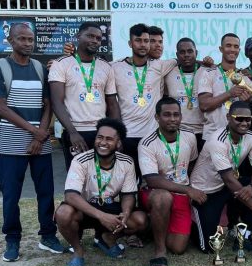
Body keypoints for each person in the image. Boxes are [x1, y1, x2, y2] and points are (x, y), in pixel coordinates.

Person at [0, 23, 68, 262]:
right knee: (12, 194)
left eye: (30, 39)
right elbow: (0, 106)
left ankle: (48, 235)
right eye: (22, 39)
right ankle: (12, 240)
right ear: (10, 41)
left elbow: (49, 104)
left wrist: (40, 133)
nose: (27, 43)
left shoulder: (40, 69)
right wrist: (34, 131)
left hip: (39, 141)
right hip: (11, 141)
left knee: (46, 192)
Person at [56, 118, 148, 266]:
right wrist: (102, 216)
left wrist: (125, 214)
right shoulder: (81, 160)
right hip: (84, 208)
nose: (103, 142)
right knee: (63, 213)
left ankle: (107, 239)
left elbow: (128, 195)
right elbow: (70, 196)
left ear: (118, 143)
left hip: (109, 207)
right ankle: (78, 251)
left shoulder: (127, 162)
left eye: (109, 139)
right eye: (100, 137)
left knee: (140, 219)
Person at [190, 101, 252, 252]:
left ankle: (243, 235)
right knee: (209, 247)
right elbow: (228, 179)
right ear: (228, 117)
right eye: (239, 118)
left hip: (228, 186)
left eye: (248, 119)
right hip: (206, 191)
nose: (244, 123)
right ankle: (189, 227)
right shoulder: (217, 140)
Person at [138, 98, 206, 266]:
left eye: (176, 114)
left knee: (178, 248)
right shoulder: (147, 143)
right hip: (155, 193)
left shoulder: (189, 137)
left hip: (181, 194)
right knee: (163, 197)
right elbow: (152, 180)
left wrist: (189, 189)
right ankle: (159, 250)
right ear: (157, 117)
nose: (172, 119)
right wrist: (189, 189)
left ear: (181, 117)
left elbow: (191, 164)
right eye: (166, 115)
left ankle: (153, 227)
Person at [49, 22, 120, 169]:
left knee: (102, 175)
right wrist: (72, 132)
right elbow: (57, 102)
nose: (95, 40)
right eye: (90, 36)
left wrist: (116, 134)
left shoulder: (106, 67)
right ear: (78, 36)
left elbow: (112, 103)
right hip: (75, 131)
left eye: (98, 38)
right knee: (77, 177)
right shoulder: (61, 64)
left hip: (101, 131)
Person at [111, 24, 178, 169]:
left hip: (152, 137)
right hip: (127, 135)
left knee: (151, 179)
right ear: (130, 43)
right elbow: (93, 65)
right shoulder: (115, 67)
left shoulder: (159, 66)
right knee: (128, 179)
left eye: (146, 41)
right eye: (138, 40)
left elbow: (187, 60)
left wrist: (208, 64)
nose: (143, 45)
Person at [197, 33, 252, 140]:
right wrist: (229, 94)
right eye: (228, 45)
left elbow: (248, 109)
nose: (232, 49)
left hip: (236, 136)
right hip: (212, 135)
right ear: (221, 49)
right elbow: (204, 105)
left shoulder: (244, 77)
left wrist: (246, 102)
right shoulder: (209, 73)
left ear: (239, 50)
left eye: (236, 47)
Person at [165, 37, 207, 148]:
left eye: (190, 51)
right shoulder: (168, 74)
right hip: (179, 132)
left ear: (196, 53)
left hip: (203, 132)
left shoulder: (207, 72)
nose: (186, 55)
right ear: (177, 55)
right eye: (182, 52)